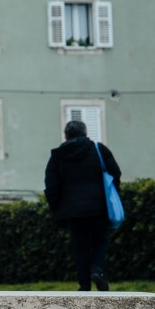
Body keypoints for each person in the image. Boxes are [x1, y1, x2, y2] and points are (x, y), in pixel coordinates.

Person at [44, 119, 122, 292]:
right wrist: (112, 193)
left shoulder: (57, 156)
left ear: (65, 136)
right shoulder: (98, 150)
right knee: (100, 240)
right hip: (99, 207)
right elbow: (115, 173)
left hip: (73, 211)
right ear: (86, 133)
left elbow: (51, 186)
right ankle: (97, 270)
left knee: (80, 245)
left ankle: (84, 285)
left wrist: (56, 208)